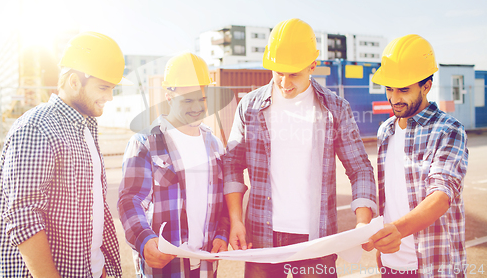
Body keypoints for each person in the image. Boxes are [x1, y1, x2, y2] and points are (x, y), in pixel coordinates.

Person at [223, 18, 377, 278]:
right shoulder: (248, 107)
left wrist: (363, 221)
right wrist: (236, 220)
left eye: (293, 73)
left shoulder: (335, 109)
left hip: (316, 241)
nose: (284, 82)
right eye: (278, 72)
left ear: (312, 66)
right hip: (261, 238)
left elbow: (360, 168)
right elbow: (231, 167)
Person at [0, 32, 129, 277]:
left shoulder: (85, 126)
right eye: (103, 87)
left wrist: (100, 267)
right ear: (74, 82)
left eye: (112, 89)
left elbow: (91, 206)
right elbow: (24, 216)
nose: (109, 97)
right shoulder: (37, 128)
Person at [364, 34, 468, 278]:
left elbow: (442, 195)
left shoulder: (448, 130)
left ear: (427, 86)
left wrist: (396, 230)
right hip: (391, 264)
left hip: (433, 266)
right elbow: (389, 196)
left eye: (403, 89)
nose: (394, 98)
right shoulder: (386, 130)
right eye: (389, 88)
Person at [118, 53, 229, 278]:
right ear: (169, 96)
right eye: (188, 100)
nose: (197, 107)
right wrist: (144, 239)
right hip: (164, 269)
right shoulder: (146, 142)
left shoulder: (215, 146)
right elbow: (130, 200)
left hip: (206, 267)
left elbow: (223, 202)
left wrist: (222, 234)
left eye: (203, 99)